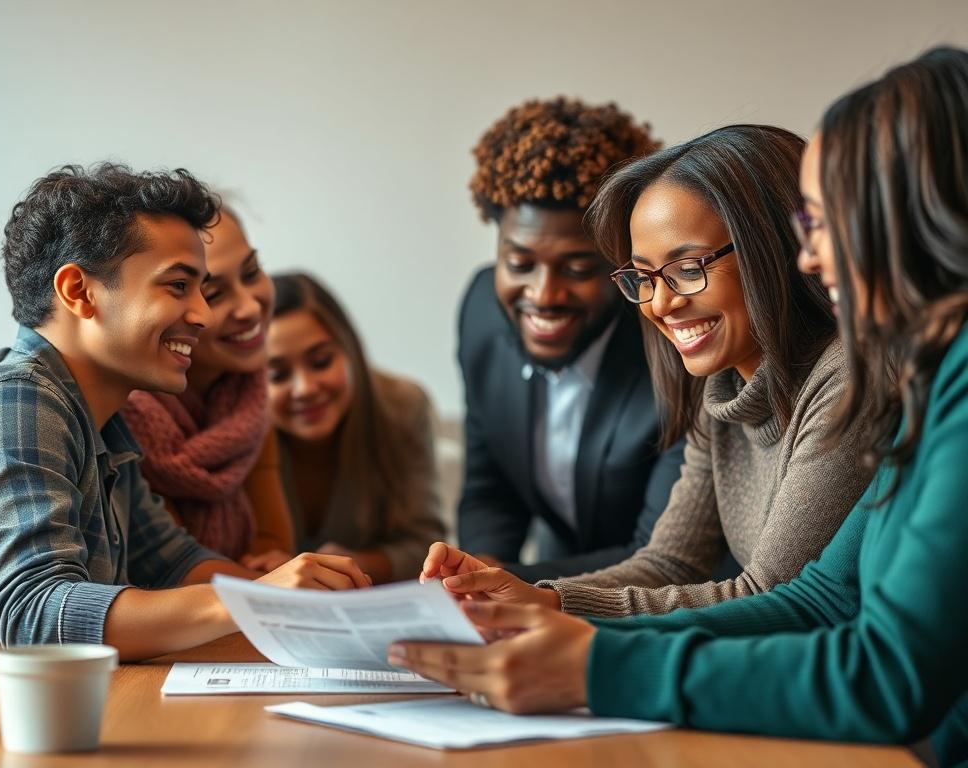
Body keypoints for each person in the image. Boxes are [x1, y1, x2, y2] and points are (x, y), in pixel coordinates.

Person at [392, 47, 968, 766]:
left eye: (824, 225)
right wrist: (548, 606)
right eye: (643, 277)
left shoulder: (892, 378)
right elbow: (818, 598)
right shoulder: (927, 377)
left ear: (911, 216)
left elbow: (875, 665)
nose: (811, 258)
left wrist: (595, 665)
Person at [422, 124, 874, 617]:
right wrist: (534, 596)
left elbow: (769, 598)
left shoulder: (847, 382)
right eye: (643, 277)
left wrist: (549, 606)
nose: (660, 303)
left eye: (688, 268)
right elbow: (671, 563)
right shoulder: (721, 383)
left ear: (777, 248)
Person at [0, 164, 370, 672]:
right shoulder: (11, 401)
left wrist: (319, 608)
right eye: (177, 286)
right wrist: (257, 597)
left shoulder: (104, 418)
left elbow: (173, 561)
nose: (203, 316)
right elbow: (34, 614)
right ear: (79, 291)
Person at [458, 97, 685, 581]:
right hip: (545, 577)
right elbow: (489, 482)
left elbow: (665, 555)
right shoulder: (481, 311)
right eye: (519, 264)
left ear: (623, 261)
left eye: (579, 268)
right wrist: (482, 566)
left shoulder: (675, 344)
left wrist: (511, 584)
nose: (544, 295)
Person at [121, 204, 295, 566]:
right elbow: (164, 572)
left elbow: (274, 545)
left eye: (251, 273)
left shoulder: (249, 396)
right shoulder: (123, 414)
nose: (248, 307)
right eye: (213, 294)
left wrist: (273, 568)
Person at [264, 272, 446, 583]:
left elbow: (426, 547)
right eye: (277, 375)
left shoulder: (403, 406)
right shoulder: (238, 432)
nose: (305, 388)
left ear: (350, 350)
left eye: (320, 361)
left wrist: (350, 564)